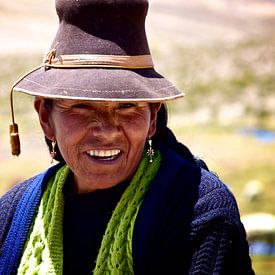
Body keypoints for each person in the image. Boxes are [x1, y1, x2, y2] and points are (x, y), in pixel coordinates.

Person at [0, 0, 254, 274]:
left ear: (152, 118)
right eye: (82, 106)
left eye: (126, 106)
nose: (107, 130)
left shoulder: (198, 211)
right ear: (46, 118)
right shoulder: (12, 215)